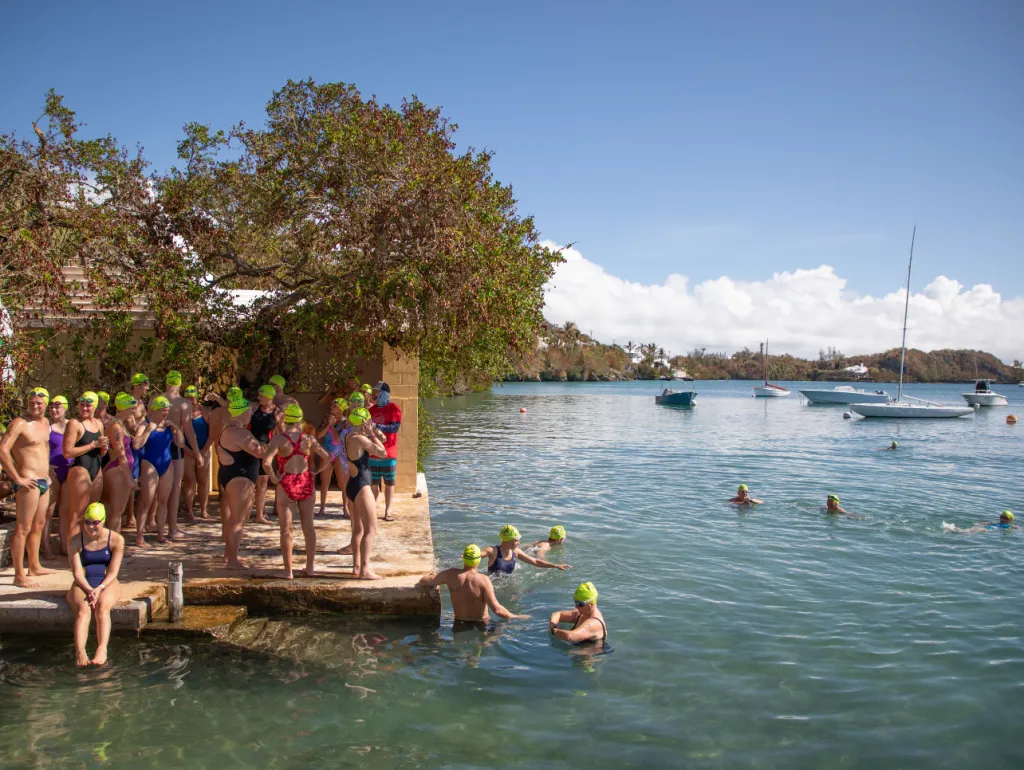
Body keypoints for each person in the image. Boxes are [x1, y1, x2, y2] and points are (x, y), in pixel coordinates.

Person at [264, 404, 330, 579]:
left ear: (286, 420)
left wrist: (274, 478)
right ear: (300, 420)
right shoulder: (308, 439)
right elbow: (327, 457)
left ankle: (288, 571)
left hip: (286, 482)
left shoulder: (279, 440)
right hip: (305, 481)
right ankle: (310, 567)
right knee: (308, 526)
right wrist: (315, 471)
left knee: (286, 530)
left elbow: (266, 462)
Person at [0, 387, 58, 588]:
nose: (35, 405)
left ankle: (34, 565)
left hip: (43, 481)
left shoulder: (45, 423)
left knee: (38, 525)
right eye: (32, 402)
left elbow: (45, 448)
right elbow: (3, 449)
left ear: (46, 405)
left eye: (39, 403)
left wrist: (49, 474)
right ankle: (19, 575)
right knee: (22, 528)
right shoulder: (20, 423)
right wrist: (17, 478)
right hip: (28, 481)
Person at [417, 545, 529, 629]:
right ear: (478, 560)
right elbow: (497, 610)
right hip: (482, 625)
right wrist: (516, 617)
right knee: (500, 632)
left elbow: (425, 581)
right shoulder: (483, 580)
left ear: (464, 559)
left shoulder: (449, 574)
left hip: (459, 624)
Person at [67, 502, 124, 666]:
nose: (91, 527)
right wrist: (88, 589)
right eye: (87, 522)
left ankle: (102, 649)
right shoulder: (75, 541)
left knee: (103, 607)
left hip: (107, 582)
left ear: (103, 521)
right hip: (83, 582)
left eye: (95, 522)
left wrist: (99, 588)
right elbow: (77, 573)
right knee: (83, 610)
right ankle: (80, 651)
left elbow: (113, 572)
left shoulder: (116, 540)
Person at [339, 407, 388, 580]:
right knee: (371, 529)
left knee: (357, 529)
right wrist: (372, 434)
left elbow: (385, 438)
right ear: (364, 422)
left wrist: (372, 431)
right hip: (362, 486)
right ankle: (365, 570)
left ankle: (356, 566)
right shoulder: (359, 439)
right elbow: (383, 452)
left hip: (352, 485)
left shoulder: (348, 435)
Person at [217, 397, 266, 569]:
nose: (251, 415)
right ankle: (232, 561)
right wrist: (266, 446)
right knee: (238, 520)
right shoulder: (239, 433)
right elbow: (260, 452)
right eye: (249, 412)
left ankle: (229, 554)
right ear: (242, 412)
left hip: (234, 477)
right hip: (239, 479)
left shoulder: (229, 427)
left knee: (235, 519)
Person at [62, 392, 110, 555]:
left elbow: (101, 453)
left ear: (95, 407)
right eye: (82, 404)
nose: (84, 408)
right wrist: (92, 445)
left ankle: (87, 550)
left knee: (92, 515)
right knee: (77, 516)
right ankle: (72, 554)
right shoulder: (74, 424)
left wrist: (103, 448)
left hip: (96, 470)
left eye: (88, 405)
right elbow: (67, 453)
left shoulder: (98, 423)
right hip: (79, 470)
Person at [134, 396, 183, 546]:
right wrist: (149, 430)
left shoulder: (169, 426)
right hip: (150, 464)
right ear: (155, 410)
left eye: (167, 411)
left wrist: (176, 428)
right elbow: (136, 445)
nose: (166, 413)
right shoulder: (145, 424)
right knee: (146, 501)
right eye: (163, 410)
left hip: (166, 464)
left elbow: (180, 444)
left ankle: (161, 534)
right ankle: (139, 536)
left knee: (163, 501)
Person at [162, 371, 203, 540]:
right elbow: (189, 431)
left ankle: (151, 525)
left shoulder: (155, 400)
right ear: (179, 384)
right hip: (173, 446)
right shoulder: (183, 404)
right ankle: (172, 527)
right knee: (174, 488)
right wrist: (197, 453)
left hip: (157, 446)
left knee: (155, 489)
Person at [100, 393, 139, 534]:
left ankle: (114, 545)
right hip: (118, 470)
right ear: (123, 409)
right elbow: (120, 454)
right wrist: (130, 479)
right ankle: (113, 546)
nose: (134, 410)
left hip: (122, 470)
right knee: (115, 513)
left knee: (116, 512)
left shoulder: (121, 425)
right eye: (132, 408)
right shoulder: (115, 427)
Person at [368, 381, 402, 521]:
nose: (374, 394)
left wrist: (376, 426)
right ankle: (373, 508)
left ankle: (388, 510)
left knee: (389, 483)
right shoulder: (371, 410)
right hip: (372, 452)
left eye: (376, 392)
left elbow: (394, 428)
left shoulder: (394, 408)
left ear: (383, 393)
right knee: (373, 483)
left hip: (388, 453)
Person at [45, 394, 73, 560]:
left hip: (69, 472)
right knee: (48, 511)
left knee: (65, 511)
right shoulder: (47, 426)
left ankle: (64, 545)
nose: (54, 409)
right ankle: (46, 546)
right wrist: (46, 467)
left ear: (65, 407)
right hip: (53, 473)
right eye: (51, 407)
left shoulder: (72, 425)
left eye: (57, 406)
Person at [123, 373, 151, 530]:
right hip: (132, 445)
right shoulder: (129, 402)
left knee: (144, 480)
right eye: (145, 385)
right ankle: (130, 516)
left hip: (142, 444)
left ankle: (142, 516)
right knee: (132, 481)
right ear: (137, 385)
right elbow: (132, 427)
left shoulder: (141, 402)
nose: (147, 388)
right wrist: (146, 428)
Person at [482, 525, 572, 574]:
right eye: (516, 540)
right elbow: (473, 556)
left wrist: (555, 566)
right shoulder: (492, 551)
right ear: (508, 540)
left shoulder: (516, 551)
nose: (519, 543)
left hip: (509, 583)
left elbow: (535, 562)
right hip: (493, 586)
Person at [315, 396, 351, 518]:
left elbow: (337, 439)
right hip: (327, 453)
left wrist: (333, 426)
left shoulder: (345, 422)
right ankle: (322, 507)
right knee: (324, 482)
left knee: (343, 483)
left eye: (334, 406)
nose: (331, 406)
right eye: (331, 405)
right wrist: (328, 425)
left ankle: (345, 508)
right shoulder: (326, 419)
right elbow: (319, 435)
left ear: (341, 409)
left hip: (340, 454)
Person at [181, 387, 213, 521]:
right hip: (187, 450)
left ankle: (203, 510)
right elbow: (179, 434)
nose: (190, 401)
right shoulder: (181, 413)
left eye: (192, 399)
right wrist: (188, 451)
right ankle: (189, 510)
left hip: (203, 449)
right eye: (187, 399)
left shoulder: (205, 411)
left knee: (203, 480)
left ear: (197, 398)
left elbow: (212, 432)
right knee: (188, 480)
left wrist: (204, 449)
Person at [249, 384, 279, 525]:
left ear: (269, 397)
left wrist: (274, 448)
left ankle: (259, 514)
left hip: (266, 449)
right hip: (250, 447)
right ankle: (245, 511)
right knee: (249, 481)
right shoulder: (254, 408)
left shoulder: (277, 413)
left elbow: (282, 433)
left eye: (261, 395)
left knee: (262, 481)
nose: (258, 397)